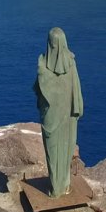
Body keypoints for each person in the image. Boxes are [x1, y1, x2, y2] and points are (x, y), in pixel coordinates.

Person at [33, 27, 84, 197]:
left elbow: (38, 91)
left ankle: (56, 189)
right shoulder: (71, 63)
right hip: (69, 116)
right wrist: (78, 110)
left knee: (53, 153)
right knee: (66, 149)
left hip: (51, 118)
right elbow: (76, 90)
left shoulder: (42, 67)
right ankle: (65, 185)